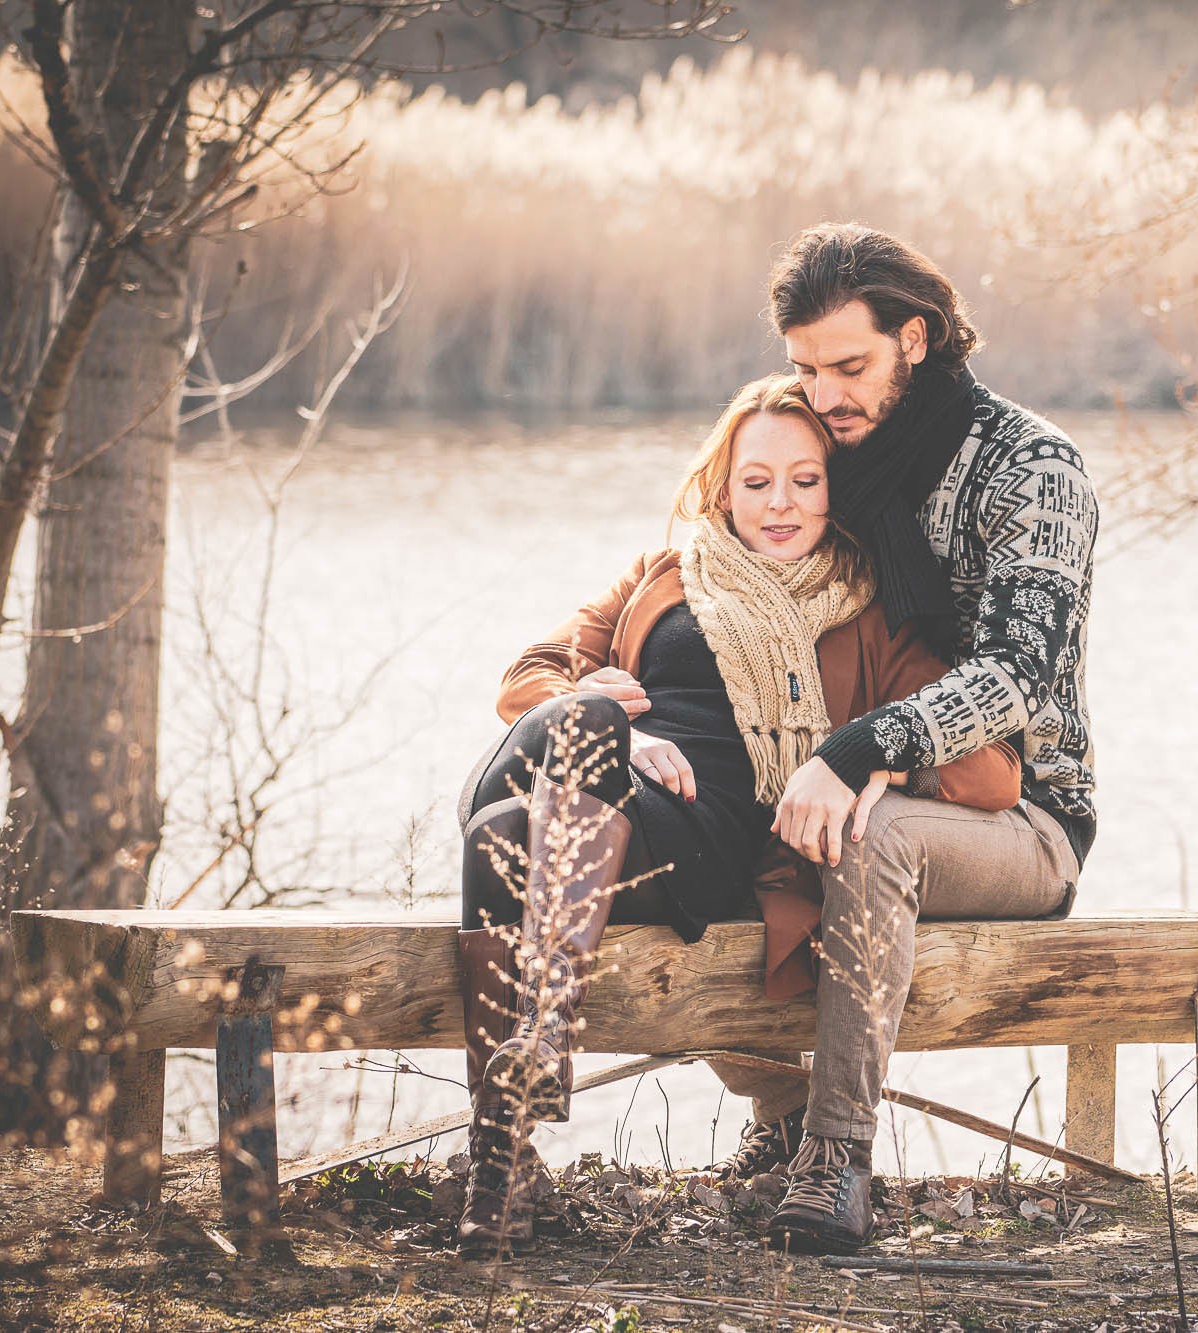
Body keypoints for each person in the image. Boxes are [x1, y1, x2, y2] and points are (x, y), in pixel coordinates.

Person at [452, 374, 1021, 1257]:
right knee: (561, 749)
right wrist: (615, 726)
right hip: (607, 806)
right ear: (723, 487)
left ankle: (503, 1148)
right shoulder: (663, 576)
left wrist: (881, 759)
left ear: (838, 487)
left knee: (495, 824)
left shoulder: (877, 608)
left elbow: (992, 772)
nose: (781, 503)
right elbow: (526, 674)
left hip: (714, 845)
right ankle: (506, 1160)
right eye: (757, 482)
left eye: (806, 479)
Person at [707, 223, 1098, 1256]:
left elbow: (1017, 672)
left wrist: (858, 749)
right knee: (703, 819)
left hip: (1017, 818)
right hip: (857, 784)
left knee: (868, 836)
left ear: (915, 340)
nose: (825, 394)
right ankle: (775, 1107)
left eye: (849, 366)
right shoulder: (835, 464)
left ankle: (833, 1156)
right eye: (804, 369)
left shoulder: (1034, 469)